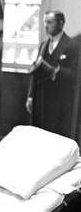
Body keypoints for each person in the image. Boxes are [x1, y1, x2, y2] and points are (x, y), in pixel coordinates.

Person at [26, 10, 79, 138]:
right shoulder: (43, 45)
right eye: (45, 22)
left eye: (49, 22)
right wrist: (30, 96)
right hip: (41, 98)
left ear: (61, 23)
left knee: (57, 137)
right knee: (41, 135)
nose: (46, 25)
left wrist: (57, 71)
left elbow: (76, 74)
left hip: (60, 101)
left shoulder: (73, 45)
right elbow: (36, 71)